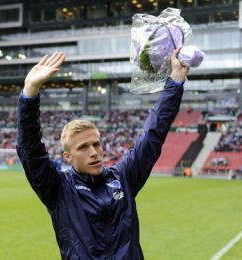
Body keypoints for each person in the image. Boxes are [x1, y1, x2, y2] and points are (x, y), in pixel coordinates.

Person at [16, 50, 188, 259]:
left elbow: (153, 133)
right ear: (67, 157)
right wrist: (30, 93)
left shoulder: (122, 177)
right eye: (83, 147)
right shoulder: (58, 188)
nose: (94, 152)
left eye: (96, 144)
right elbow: (30, 149)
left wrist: (176, 81)